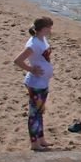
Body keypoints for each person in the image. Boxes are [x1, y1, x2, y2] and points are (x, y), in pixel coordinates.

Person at [13, 17, 55, 151]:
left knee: (40, 112)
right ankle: (34, 143)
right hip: (35, 84)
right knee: (34, 114)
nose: (51, 29)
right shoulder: (33, 44)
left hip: (43, 82)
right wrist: (31, 69)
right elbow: (18, 60)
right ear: (43, 28)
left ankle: (41, 139)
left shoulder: (42, 39)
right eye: (49, 27)